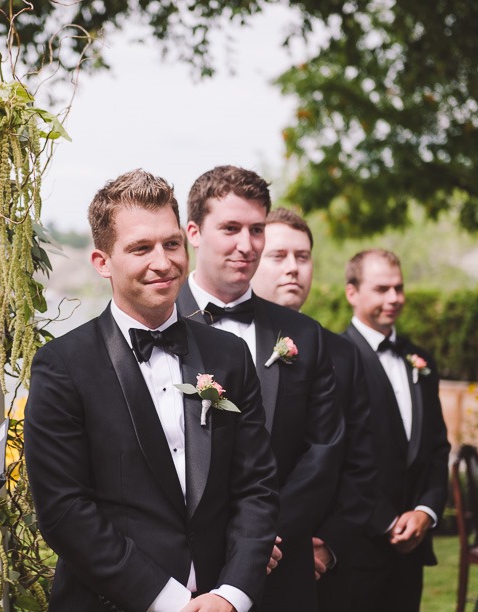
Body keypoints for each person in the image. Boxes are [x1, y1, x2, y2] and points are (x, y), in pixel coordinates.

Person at [24, 169, 278, 612]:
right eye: (141, 248)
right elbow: (65, 510)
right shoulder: (62, 366)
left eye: (172, 243)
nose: (163, 262)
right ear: (102, 262)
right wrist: (169, 600)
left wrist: (232, 594)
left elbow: (255, 485)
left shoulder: (230, 355)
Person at [175, 166, 343, 612]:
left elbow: (323, 450)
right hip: (182, 570)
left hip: (281, 565)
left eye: (256, 229)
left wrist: (262, 538)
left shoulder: (304, 335)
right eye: (230, 228)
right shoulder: (158, 324)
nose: (246, 245)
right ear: (194, 231)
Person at [250, 209, 376, 612]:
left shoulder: (343, 354)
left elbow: (359, 461)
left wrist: (327, 544)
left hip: (310, 565)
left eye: (302, 257)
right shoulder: (206, 341)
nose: (293, 269)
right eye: (279, 255)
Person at [340, 249, 450, 612]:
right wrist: (385, 521)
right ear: (352, 292)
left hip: (413, 550)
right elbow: (334, 455)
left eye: (399, 288)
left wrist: (425, 511)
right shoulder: (334, 358)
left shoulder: (421, 360)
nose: (394, 298)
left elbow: (436, 446)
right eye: (382, 288)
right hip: (356, 548)